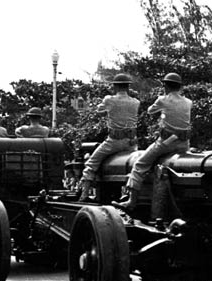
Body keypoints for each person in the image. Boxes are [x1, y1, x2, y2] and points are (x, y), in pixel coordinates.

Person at [114, 73, 192, 210]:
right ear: (180, 87)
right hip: (183, 144)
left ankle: (131, 202)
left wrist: (162, 109)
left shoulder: (163, 100)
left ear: (165, 86)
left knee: (139, 165)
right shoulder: (188, 102)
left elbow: (150, 111)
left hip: (166, 143)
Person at [78, 73, 140, 202]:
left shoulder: (109, 100)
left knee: (91, 163)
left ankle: (83, 195)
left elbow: (99, 110)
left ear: (115, 87)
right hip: (132, 143)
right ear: (128, 87)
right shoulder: (135, 102)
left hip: (114, 142)